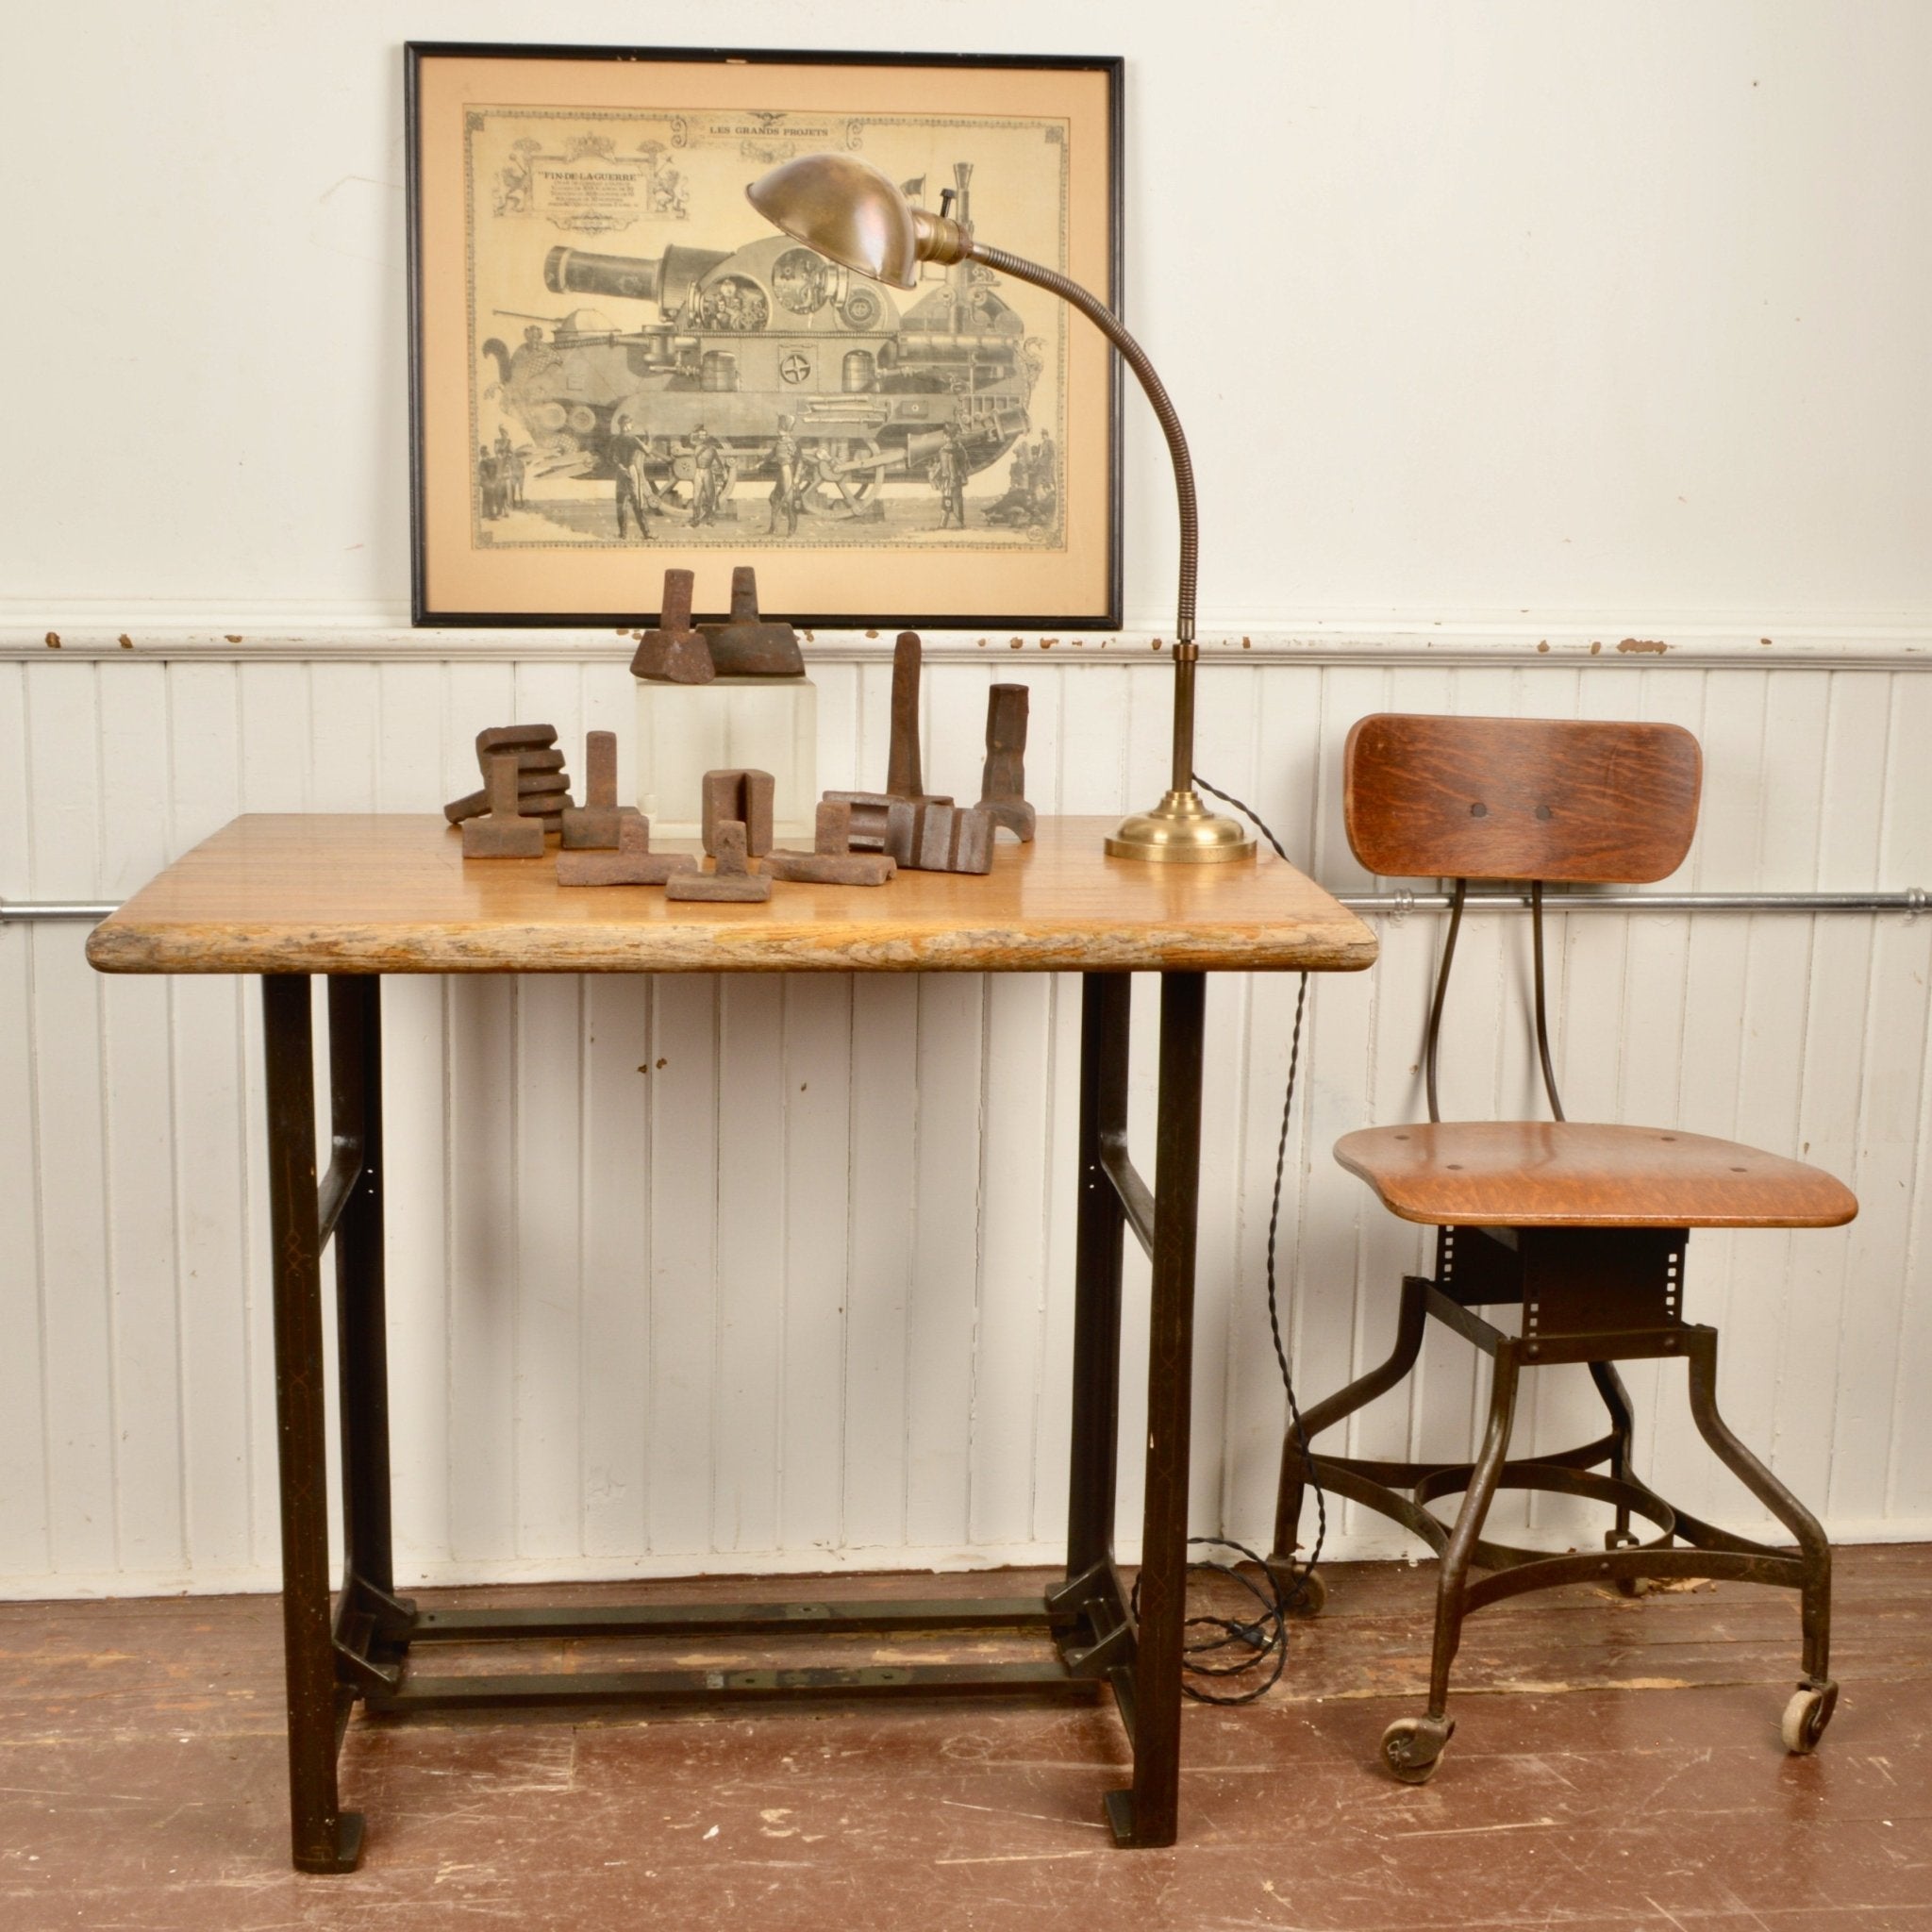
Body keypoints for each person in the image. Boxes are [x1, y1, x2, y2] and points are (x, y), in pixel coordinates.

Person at [607, 415, 652, 540]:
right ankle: (646, 533)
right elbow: (648, 451)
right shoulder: (633, 439)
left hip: (620, 472)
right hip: (631, 470)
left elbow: (610, 458)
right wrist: (649, 436)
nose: (632, 426)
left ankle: (623, 534)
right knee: (637, 502)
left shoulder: (614, 440)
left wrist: (620, 466)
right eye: (630, 424)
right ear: (626, 425)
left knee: (621, 504)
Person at [766, 414, 801, 536]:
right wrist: (760, 462)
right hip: (781, 472)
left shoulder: (793, 444)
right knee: (774, 499)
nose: (778, 432)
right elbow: (771, 455)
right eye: (779, 429)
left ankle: (791, 530)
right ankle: (773, 528)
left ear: (787, 432)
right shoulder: (778, 443)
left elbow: (799, 461)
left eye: (781, 430)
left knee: (790, 502)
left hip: (789, 472)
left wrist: (796, 477)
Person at [690, 424, 728, 527]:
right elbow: (690, 438)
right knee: (696, 496)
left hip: (707, 472)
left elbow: (718, 461)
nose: (702, 437)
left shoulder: (712, 449)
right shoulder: (695, 446)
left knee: (710, 496)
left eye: (704, 435)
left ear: (707, 436)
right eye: (700, 435)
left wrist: (724, 472)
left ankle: (710, 519)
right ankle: (695, 519)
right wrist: (696, 429)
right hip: (698, 471)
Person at [930, 421, 967, 529]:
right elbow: (939, 465)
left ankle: (954, 523)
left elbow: (962, 464)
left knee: (954, 501)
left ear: (949, 436)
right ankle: (948, 523)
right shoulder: (944, 450)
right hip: (949, 480)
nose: (944, 437)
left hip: (954, 479)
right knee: (949, 500)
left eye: (945, 434)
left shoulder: (957, 450)